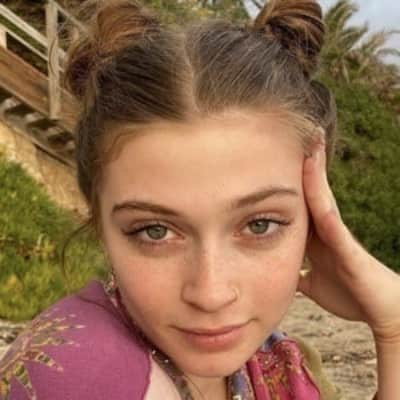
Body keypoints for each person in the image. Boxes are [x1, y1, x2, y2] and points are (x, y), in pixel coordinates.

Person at [1, 0, 399, 398]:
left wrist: (394, 328)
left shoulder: (281, 362)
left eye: (260, 224)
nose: (211, 294)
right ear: (99, 222)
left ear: (314, 218)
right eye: (155, 231)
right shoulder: (77, 376)